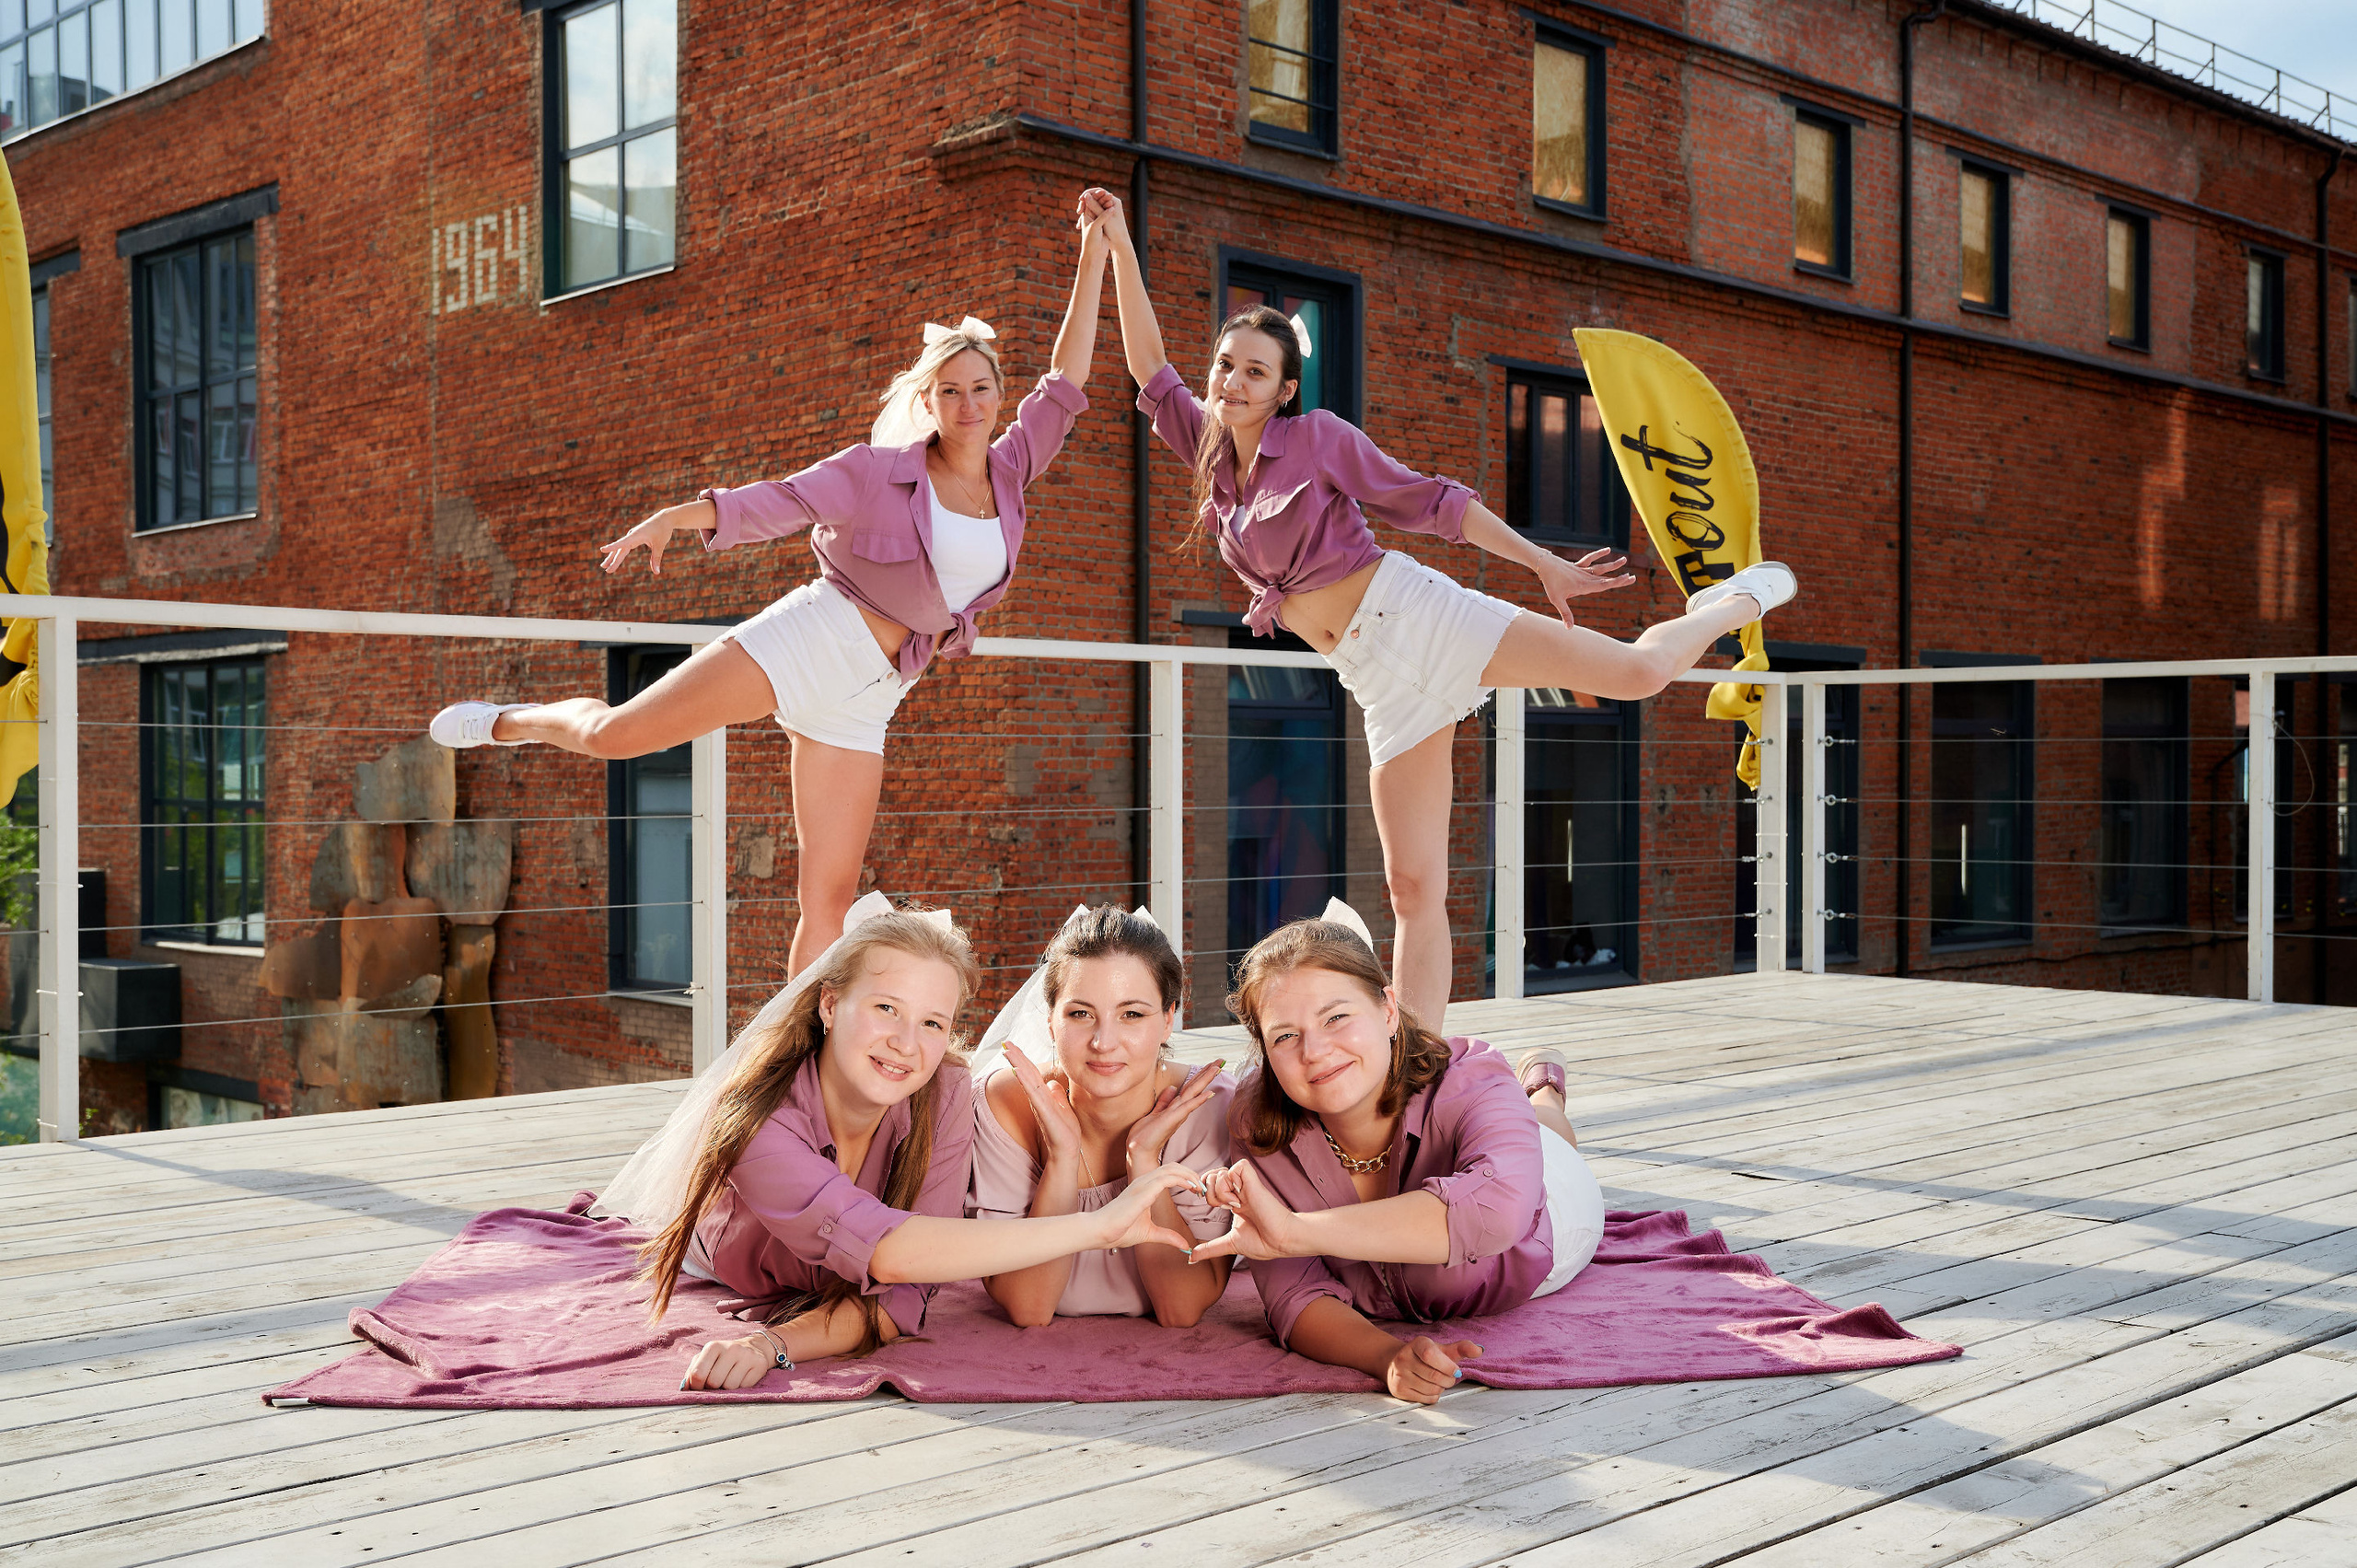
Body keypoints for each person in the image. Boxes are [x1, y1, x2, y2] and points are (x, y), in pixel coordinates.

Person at [1083, 187, 1795, 1026]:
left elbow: (1433, 502)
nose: (1232, 380)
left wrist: (1541, 565)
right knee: (1413, 885)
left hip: (1420, 617)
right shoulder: (1208, 451)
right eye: (1225, 364)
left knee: (1637, 673)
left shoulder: (1319, 439)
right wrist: (1119, 246)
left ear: (1285, 389)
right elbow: (1146, 366)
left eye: (1254, 370)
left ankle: (1729, 598)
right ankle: (1417, 1063)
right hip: (1377, 681)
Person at [429, 202, 1114, 974]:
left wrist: (1096, 251)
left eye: (981, 388)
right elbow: (778, 502)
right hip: (812, 638)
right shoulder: (875, 472)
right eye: (950, 390)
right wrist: (677, 519)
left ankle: (792, 1078)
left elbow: (1069, 378)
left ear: (998, 394)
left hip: (872, 694)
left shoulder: (1014, 470)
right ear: (928, 400)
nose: (968, 405)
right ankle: (510, 721)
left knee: (826, 906)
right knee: (620, 735)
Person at [598, 897, 1206, 1391]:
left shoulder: (946, 1093)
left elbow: (901, 1297)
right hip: (746, 1268)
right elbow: (893, 1255)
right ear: (831, 1004)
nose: (905, 1042)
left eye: (932, 1023)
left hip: (846, 1282)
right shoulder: (759, 1118)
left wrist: (776, 1343)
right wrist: (1102, 1225)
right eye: (886, 1007)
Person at [1192, 905, 1606, 1406]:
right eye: (1285, 1035)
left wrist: (1293, 1232)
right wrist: (1387, 1356)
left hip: (1546, 1230)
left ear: (1387, 1010)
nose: (1315, 1051)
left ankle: (1543, 1093)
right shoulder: (1256, 1120)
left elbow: (1499, 1213)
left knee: (1550, 1139)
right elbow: (1295, 1296)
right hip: (1412, 1282)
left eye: (1337, 1017)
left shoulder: (1472, 1075)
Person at [967, 906, 1235, 1327]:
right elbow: (1028, 1307)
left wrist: (1144, 1163)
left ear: (1168, 1020)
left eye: (1132, 1014)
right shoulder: (1006, 1105)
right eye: (1080, 1014)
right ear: (1051, 1022)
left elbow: (1181, 1310)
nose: (1104, 1042)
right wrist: (1061, 1158)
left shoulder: (1210, 1106)